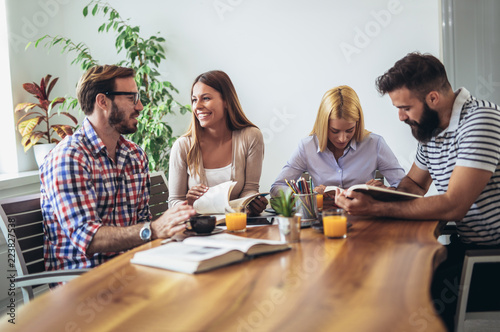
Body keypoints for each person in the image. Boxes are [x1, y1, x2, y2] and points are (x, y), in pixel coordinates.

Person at [335, 52, 500, 330]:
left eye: (405, 107)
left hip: (490, 258)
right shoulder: (432, 128)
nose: (400, 116)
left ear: (433, 98)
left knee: (407, 294)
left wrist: (376, 208)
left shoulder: (480, 122)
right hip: (470, 249)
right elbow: (415, 184)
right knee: (394, 275)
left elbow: (454, 205)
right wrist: (378, 194)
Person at [40, 65, 196, 272]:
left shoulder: (135, 155)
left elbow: (142, 222)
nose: (140, 106)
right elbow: (88, 238)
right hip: (84, 283)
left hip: (133, 268)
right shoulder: (69, 157)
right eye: (132, 98)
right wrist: (154, 229)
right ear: (102, 101)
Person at [271, 85, 405, 204]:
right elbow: (277, 187)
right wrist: (310, 195)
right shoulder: (307, 146)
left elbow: (403, 186)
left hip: (365, 215)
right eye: (334, 131)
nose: (342, 138)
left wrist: (386, 191)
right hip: (323, 219)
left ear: (357, 124)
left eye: (349, 130)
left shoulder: (375, 144)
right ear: (323, 125)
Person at [168, 70, 267, 215]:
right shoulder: (182, 146)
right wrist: (188, 203)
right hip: (198, 231)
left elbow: (250, 189)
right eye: (194, 100)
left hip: (236, 227)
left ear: (226, 101)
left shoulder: (251, 137)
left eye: (206, 98)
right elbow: (173, 203)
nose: (197, 106)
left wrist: (251, 204)